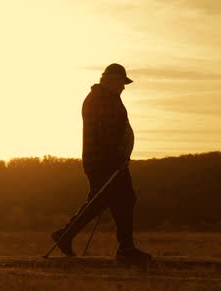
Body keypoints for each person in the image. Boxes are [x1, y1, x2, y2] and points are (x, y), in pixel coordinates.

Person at [50, 63, 151, 264]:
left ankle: (66, 235)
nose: (124, 87)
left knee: (102, 201)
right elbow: (106, 133)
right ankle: (125, 248)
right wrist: (117, 159)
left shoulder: (105, 98)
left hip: (104, 161)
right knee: (123, 199)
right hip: (106, 162)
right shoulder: (101, 100)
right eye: (122, 82)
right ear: (112, 80)